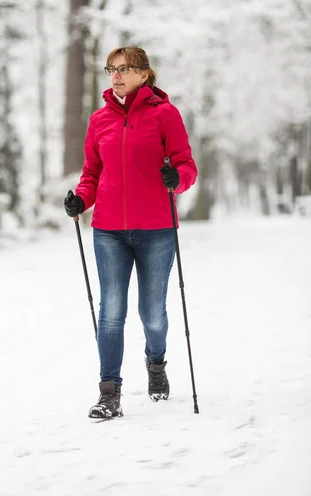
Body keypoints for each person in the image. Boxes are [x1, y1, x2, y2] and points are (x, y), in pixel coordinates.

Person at [64, 46, 197, 419]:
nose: (116, 75)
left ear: (143, 73)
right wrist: (81, 200)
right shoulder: (100, 120)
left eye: (124, 69)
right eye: (111, 69)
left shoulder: (164, 115)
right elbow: (92, 173)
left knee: (152, 313)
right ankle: (110, 393)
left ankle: (156, 365)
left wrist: (179, 178)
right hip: (109, 231)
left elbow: (187, 165)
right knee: (111, 312)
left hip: (156, 229)